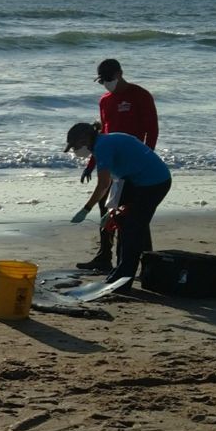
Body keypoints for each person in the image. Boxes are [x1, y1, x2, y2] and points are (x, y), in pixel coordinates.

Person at [66, 122, 172, 292]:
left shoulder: (102, 147)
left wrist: (86, 208)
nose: (75, 150)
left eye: (76, 146)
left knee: (132, 229)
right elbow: (117, 180)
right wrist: (112, 209)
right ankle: (121, 272)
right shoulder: (104, 142)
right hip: (134, 180)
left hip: (155, 182)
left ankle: (124, 279)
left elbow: (103, 184)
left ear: (85, 139)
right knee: (122, 222)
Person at [76, 58, 159, 272]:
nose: (106, 84)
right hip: (109, 165)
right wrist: (91, 163)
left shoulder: (140, 95)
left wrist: (145, 158)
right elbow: (100, 137)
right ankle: (104, 255)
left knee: (132, 214)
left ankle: (145, 260)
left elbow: (152, 129)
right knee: (105, 208)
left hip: (133, 165)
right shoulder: (105, 100)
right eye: (103, 80)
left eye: (109, 79)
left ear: (120, 73)